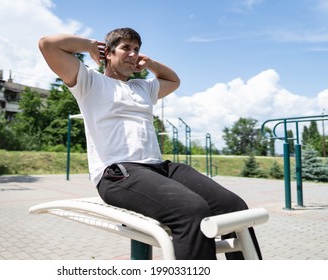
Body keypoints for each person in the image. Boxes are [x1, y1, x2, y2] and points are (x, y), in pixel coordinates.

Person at [39, 27, 262, 260]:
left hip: (159, 168)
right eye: (126, 48)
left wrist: (151, 63)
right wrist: (90, 46)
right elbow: (48, 44)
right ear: (109, 53)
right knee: (192, 210)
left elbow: (173, 80)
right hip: (119, 172)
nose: (133, 54)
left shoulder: (142, 87)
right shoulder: (89, 83)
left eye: (137, 49)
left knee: (234, 207)